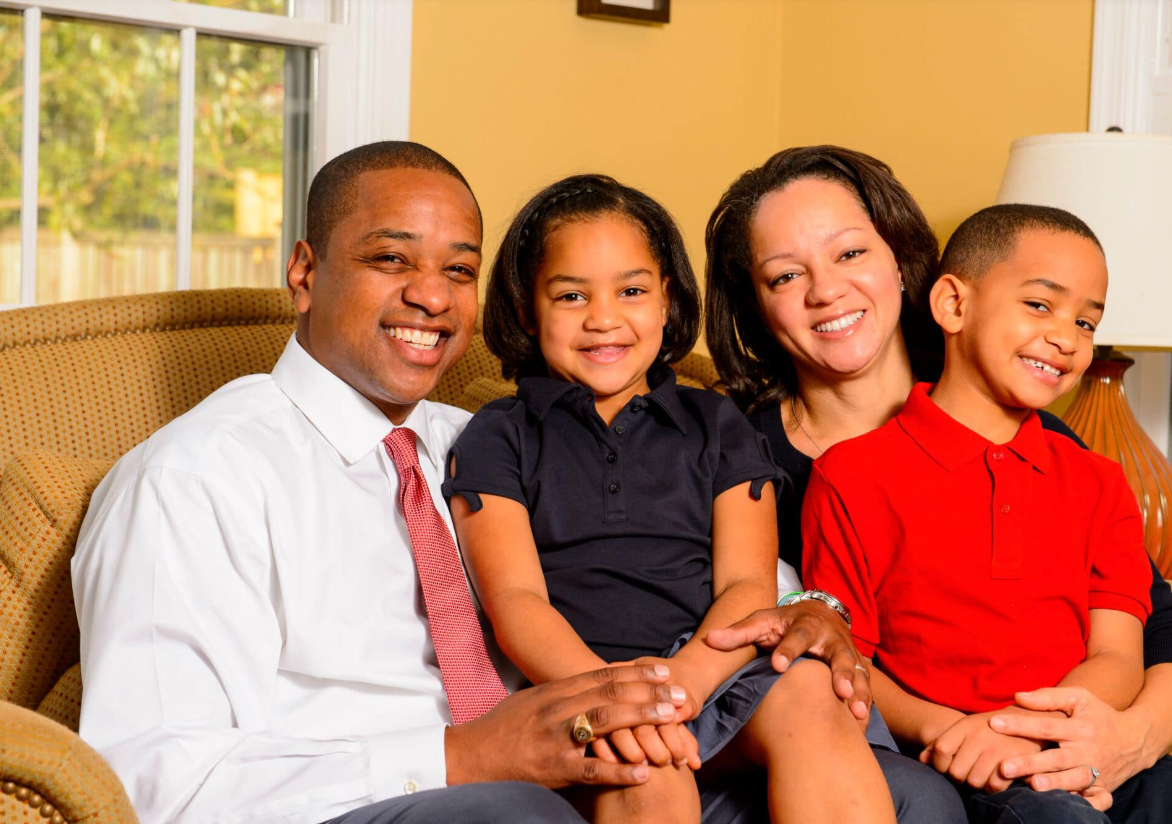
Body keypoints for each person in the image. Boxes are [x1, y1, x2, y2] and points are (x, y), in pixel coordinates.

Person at [70, 141, 866, 824]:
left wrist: (810, 615)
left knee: (905, 792)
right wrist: (461, 754)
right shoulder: (194, 477)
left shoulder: (468, 439)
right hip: (382, 795)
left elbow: (710, 568)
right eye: (390, 258)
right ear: (305, 273)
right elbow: (150, 784)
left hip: (584, 747)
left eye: (458, 269)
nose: (431, 294)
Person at [704, 144, 1172, 819]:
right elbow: (814, 662)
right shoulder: (731, 460)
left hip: (1073, 746)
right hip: (909, 764)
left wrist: (1124, 737)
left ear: (901, 260)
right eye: (784, 275)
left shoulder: (1059, 455)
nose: (825, 289)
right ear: (755, 303)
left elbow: (1159, 633)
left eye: (850, 253)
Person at [444, 174, 896, 824]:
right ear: (525, 310)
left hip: (714, 665)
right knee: (643, 767)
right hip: (584, 678)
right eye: (571, 295)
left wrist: (682, 684)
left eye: (631, 291)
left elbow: (747, 582)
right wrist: (621, 699)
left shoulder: (718, 424)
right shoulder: (499, 435)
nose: (604, 317)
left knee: (809, 693)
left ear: (666, 301)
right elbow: (517, 604)